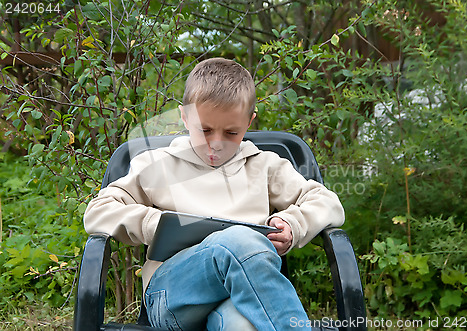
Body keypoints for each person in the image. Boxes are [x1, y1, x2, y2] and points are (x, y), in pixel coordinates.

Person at [84, 58, 345, 330]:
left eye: (231, 132)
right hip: (172, 297)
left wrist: (293, 225)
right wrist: (155, 225)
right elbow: (98, 211)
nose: (216, 144)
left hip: (238, 295)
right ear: (184, 116)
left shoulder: (264, 165)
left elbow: (327, 202)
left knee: (243, 324)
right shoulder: (157, 164)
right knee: (237, 241)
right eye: (205, 130)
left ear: (249, 122)